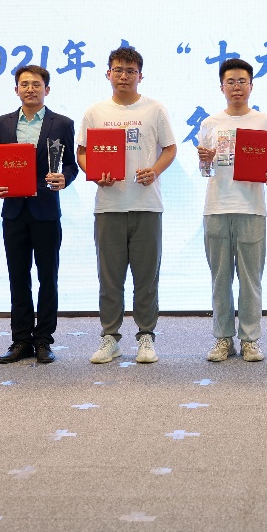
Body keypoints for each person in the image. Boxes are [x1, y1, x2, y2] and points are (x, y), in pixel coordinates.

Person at [79, 47, 177, 366]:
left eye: (130, 71)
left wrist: (155, 170)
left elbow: (170, 148)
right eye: (118, 70)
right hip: (109, 206)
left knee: (146, 278)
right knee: (110, 278)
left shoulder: (155, 109)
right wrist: (94, 173)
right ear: (108, 74)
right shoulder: (95, 112)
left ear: (140, 76)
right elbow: (82, 153)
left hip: (147, 205)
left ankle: (146, 336)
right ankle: (110, 337)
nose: (124, 76)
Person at [0, 65, 79, 365]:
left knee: (47, 277)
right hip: (13, 210)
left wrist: (65, 178)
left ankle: (43, 340)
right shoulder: (1, 123)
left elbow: (71, 165)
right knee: (18, 276)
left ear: (46, 90)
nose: (30, 89)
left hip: (46, 210)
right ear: (16, 89)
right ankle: (20, 340)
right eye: (24, 84)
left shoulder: (62, 123)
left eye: (36, 84)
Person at [196, 57, 267, 362]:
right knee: (220, 278)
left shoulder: (265, 122)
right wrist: (204, 162)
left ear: (251, 86)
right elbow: (204, 169)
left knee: (250, 279)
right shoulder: (210, 123)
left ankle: (250, 340)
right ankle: (223, 338)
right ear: (221, 87)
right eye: (230, 82)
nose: (236, 87)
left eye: (242, 81)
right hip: (217, 207)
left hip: (251, 208)